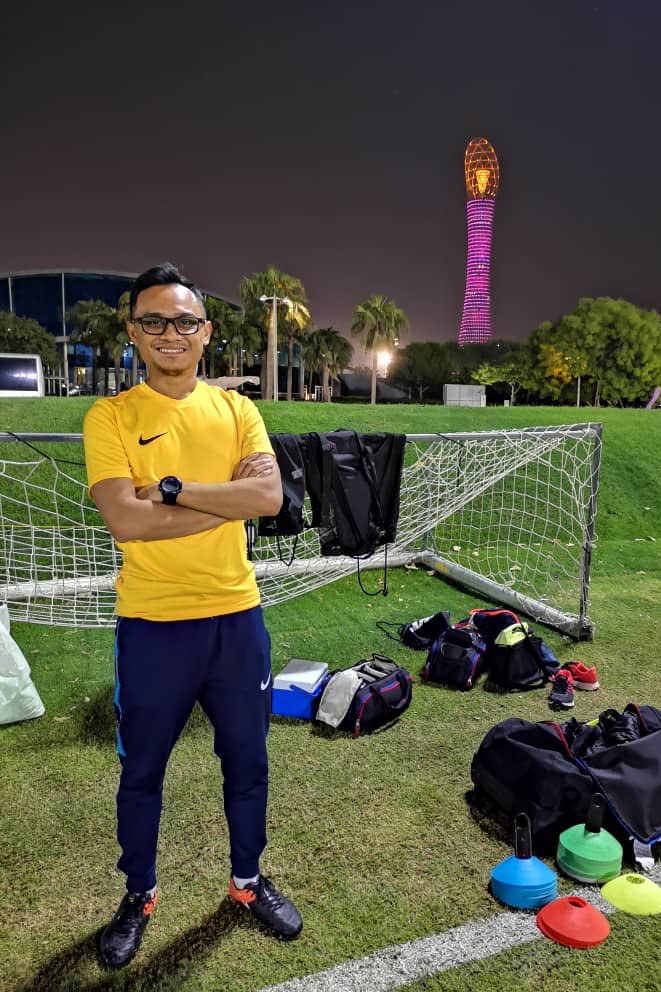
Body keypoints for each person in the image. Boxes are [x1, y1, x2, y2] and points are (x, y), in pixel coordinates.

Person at [83, 263, 302, 970]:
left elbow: (268, 500)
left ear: (206, 332)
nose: (169, 333)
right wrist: (221, 500)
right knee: (142, 770)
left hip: (237, 620)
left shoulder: (238, 412)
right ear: (134, 332)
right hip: (152, 626)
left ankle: (247, 881)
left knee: (247, 760)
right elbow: (126, 520)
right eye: (154, 321)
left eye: (184, 321)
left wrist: (172, 492)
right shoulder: (111, 416)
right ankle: (138, 895)